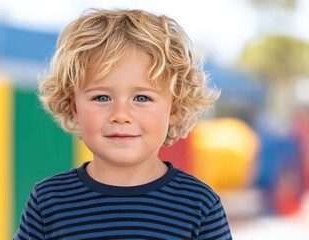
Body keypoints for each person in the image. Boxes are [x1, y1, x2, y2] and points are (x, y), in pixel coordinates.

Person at [13, 9, 232, 240]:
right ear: (75, 108)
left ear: (174, 109)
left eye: (142, 98)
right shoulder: (48, 200)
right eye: (102, 98)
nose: (121, 115)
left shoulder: (199, 204)